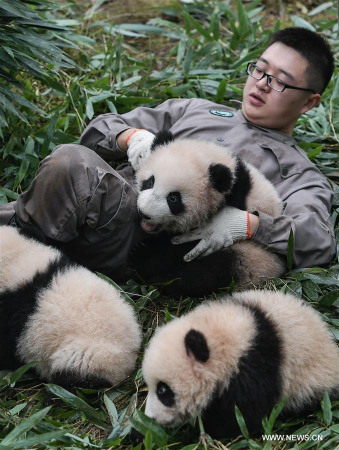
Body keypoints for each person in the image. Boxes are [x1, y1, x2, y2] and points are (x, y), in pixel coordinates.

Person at [0, 27, 336, 279]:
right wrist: (131, 138)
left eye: (280, 81)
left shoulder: (298, 172)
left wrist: (248, 225)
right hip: (99, 199)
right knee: (65, 171)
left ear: (310, 102)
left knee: (71, 164)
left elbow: (317, 239)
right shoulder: (197, 110)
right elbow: (99, 129)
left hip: (143, 238)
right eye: (260, 69)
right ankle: (22, 240)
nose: (261, 83)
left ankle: (15, 253)